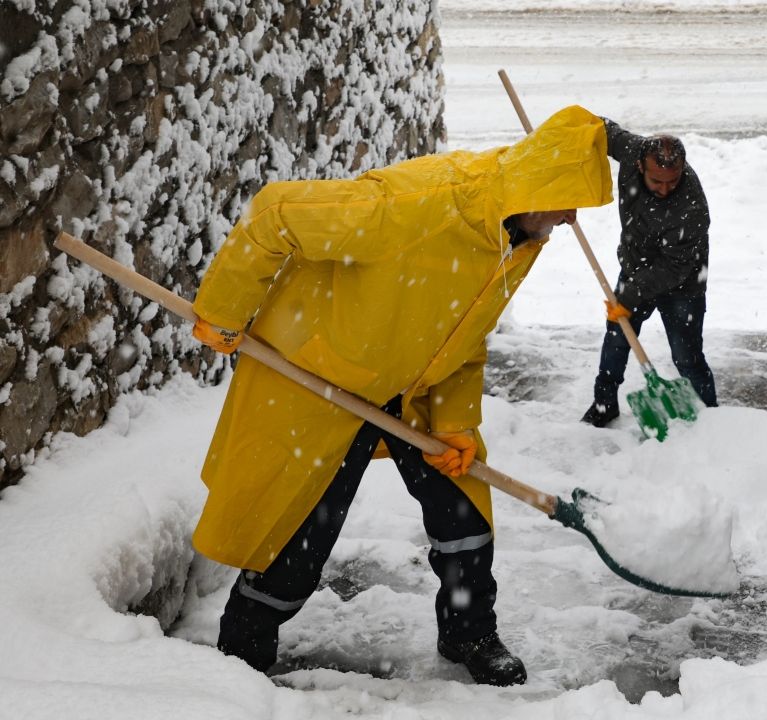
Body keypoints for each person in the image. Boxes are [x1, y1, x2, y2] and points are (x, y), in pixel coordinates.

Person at [188, 105, 612, 685]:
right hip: (323, 380)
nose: (569, 219)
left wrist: (457, 423)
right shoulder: (416, 208)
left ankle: (470, 633)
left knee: (462, 513)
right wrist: (223, 307)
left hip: (411, 388)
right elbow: (275, 212)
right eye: (568, 203)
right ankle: (242, 647)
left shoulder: (512, 236)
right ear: (539, 186)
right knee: (297, 533)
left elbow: (468, 333)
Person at [581, 120, 718, 427]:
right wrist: (566, 139)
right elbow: (600, 129)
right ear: (640, 164)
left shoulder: (691, 207)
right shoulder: (632, 150)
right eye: (657, 181)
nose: (665, 189)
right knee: (616, 339)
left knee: (687, 358)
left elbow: (675, 267)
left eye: (673, 180)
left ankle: (711, 418)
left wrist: (629, 294)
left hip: (683, 284)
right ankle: (604, 405)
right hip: (635, 265)